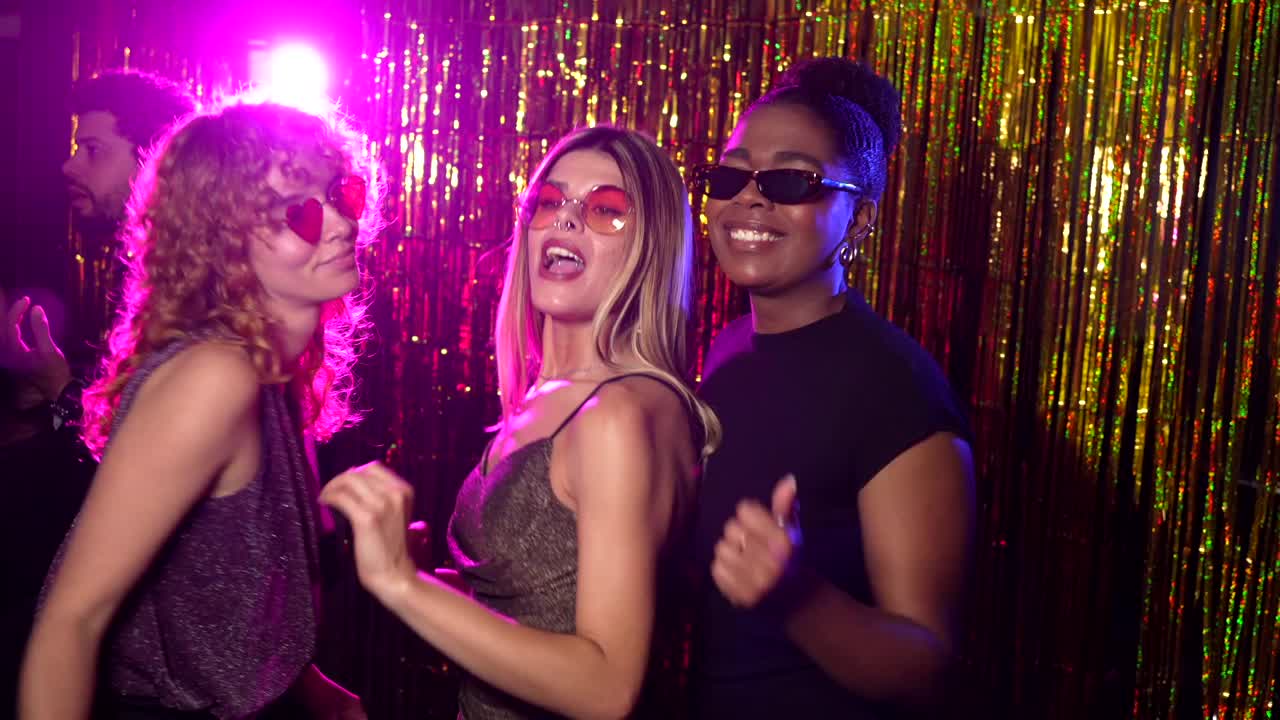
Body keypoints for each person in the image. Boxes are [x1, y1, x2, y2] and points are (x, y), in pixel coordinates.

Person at [319, 125, 719, 719]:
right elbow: (541, 611)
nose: (565, 221)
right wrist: (430, 578)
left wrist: (402, 581)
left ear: (650, 247)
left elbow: (606, 688)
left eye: (606, 211)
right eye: (549, 203)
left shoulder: (617, 414)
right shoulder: (551, 396)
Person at [20, 99, 380, 720]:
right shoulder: (216, 376)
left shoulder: (275, 373)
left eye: (341, 194)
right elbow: (70, 624)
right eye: (300, 213)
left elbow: (217, 609)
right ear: (225, 241)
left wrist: (319, 695)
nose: (342, 224)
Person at [688, 57, 977, 718]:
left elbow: (926, 664)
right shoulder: (727, 351)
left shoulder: (895, 389)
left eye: (793, 180)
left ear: (862, 220)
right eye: (731, 175)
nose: (749, 199)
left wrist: (795, 595)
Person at [0, 69, 195, 712]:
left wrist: (57, 389)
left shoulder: (185, 294)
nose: (67, 164)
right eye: (73, 146)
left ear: (154, 162)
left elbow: (145, 472)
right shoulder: (133, 277)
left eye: (92, 150)